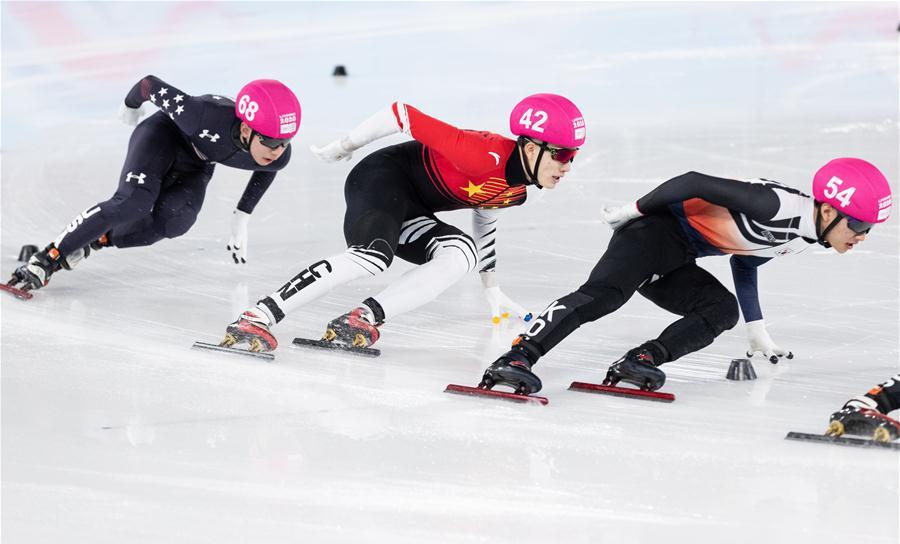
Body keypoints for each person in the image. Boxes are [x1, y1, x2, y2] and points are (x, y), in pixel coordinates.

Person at [480, 158, 893, 394]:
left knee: (721, 310)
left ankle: (639, 360)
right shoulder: (775, 205)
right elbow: (692, 182)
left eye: (869, 229)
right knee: (604, 296)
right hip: (651, 233)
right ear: (828, 210)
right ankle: (517, 356)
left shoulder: (803, 237)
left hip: (678, 257)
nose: (862, 237)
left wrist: (756, 329)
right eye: (858, 226)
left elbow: (745, 261)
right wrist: (632, 210)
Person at [221, 95, 586, 353]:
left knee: (463, 252)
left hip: (412, 207)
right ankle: (257, 315)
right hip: (380, 179)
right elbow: (400, 114)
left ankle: (362, 318)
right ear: (531, 148)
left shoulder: (516, 191)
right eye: (563, 155)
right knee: (372, 256)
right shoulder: (480, 152)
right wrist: (345, 144)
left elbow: (484, 221)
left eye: (573, 156)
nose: (567, 166)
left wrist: (491, 288)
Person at [7, 75, 301, 292]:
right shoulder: (202, 115)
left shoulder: (276, 155)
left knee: (176, 221)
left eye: (285, 142)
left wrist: (241, 216)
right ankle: (48, 257)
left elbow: (267, 169)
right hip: (162, 136)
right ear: (247, 129)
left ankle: (97, 239)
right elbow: (149, 85)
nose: (277, 151)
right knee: (133, 202)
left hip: (196, 164)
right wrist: (130, 105)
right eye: (271, 142)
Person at [828, 375, 900, 442]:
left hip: (852, 409)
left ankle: (841, 424)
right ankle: (883, 431)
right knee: (893, 427)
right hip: (867, 410)